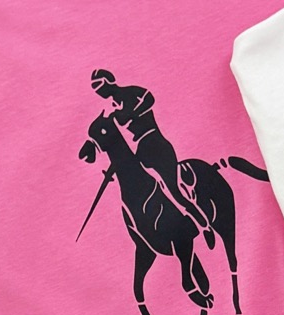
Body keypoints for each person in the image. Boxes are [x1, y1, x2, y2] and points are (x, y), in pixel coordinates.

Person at [90, 70, 210, 237]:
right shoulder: (113, 108)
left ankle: (203, 224)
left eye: (99, 85)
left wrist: (131, 114)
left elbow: (149, 98)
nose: (98, 91)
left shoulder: (130, 92)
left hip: (156, 143)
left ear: (109, 81)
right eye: (95, 88)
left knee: (173, 190)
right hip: (140, 148)